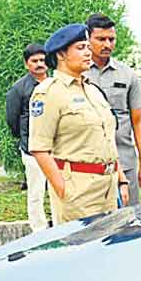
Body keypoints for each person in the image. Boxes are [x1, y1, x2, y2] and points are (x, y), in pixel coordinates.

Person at [28, 23, 127, 223]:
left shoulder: (92, 90)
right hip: (78, 190)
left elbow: (107, 139)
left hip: (108, 186)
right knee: (81, 249)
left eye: (88, 47)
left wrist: (121, 180)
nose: (88, 53)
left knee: (106, 249)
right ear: (61, 54)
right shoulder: (49, 92)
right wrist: (64, 191)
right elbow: (39, 148)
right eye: (80, 48)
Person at [84, 13, 141, 207]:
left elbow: (138, 121)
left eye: (111, 39)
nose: (107, 44)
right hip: (87, 164)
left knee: (128, 219)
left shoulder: (127, 75)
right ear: (87, 39)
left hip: (124, 159)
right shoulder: (77, 73)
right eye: (100, 39)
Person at [5, 43, 50, 232]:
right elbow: (12, 120)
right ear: (26, 64)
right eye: (34, 61)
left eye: (42, 60)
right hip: (33, 150)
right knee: (36, 192)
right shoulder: (19, 88)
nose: (39, 64)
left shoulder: (56, 84)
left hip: (58, 149)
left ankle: (61, 227)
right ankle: (38, 231)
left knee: (60, 192)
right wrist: (26, 140)